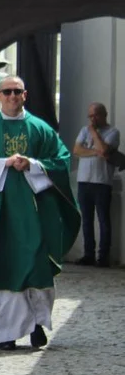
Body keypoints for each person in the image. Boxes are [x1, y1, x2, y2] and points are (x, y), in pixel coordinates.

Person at [0, 76, 78, 350]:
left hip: (34, 213)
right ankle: (7, 331)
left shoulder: (40, 129)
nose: (12, 96)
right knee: (2, 264)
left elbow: (61, 161)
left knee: (36, 263)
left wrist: (33, 165)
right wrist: (3, 164)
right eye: (7, 92)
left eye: (17, 92)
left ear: (25, 95)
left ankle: (37, 324)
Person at [73, 102, 119, 267]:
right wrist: (95, 152)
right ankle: (88, 254)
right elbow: (77, 150)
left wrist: (94, 133)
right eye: (90, 116)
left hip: (102, 181)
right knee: (86, 219)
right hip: (84, 180)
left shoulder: (113, 132)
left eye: (95, 115)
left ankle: (103, 256)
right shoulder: (83, 131)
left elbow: (105, 150)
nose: (92, 119)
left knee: (103, 220)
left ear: (103, 115)